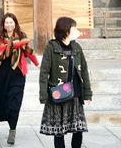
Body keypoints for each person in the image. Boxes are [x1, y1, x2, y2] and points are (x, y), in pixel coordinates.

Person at [0, 12, 39, 146]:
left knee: (14, 104)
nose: (9, 24)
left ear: (15, 23)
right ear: (3, 25)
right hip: (3, 75)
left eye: (11, 22)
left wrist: (38, 64)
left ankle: (12, 130)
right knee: (5, 102)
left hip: (18, 74)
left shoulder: (22, 37)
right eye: (7, 22)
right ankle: (11, 125)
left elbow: (29, 52)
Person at [39, 16, 91, 148]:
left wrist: (88, 94)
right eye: (74, 28)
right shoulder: (51, 47)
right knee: (59, 131)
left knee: (78, 129)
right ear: (66, 30)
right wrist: (44, 95)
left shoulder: (77, 47)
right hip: (59, 94)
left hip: (76, 94)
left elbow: (84, 71)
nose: (77, 31)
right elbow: (44, 73)